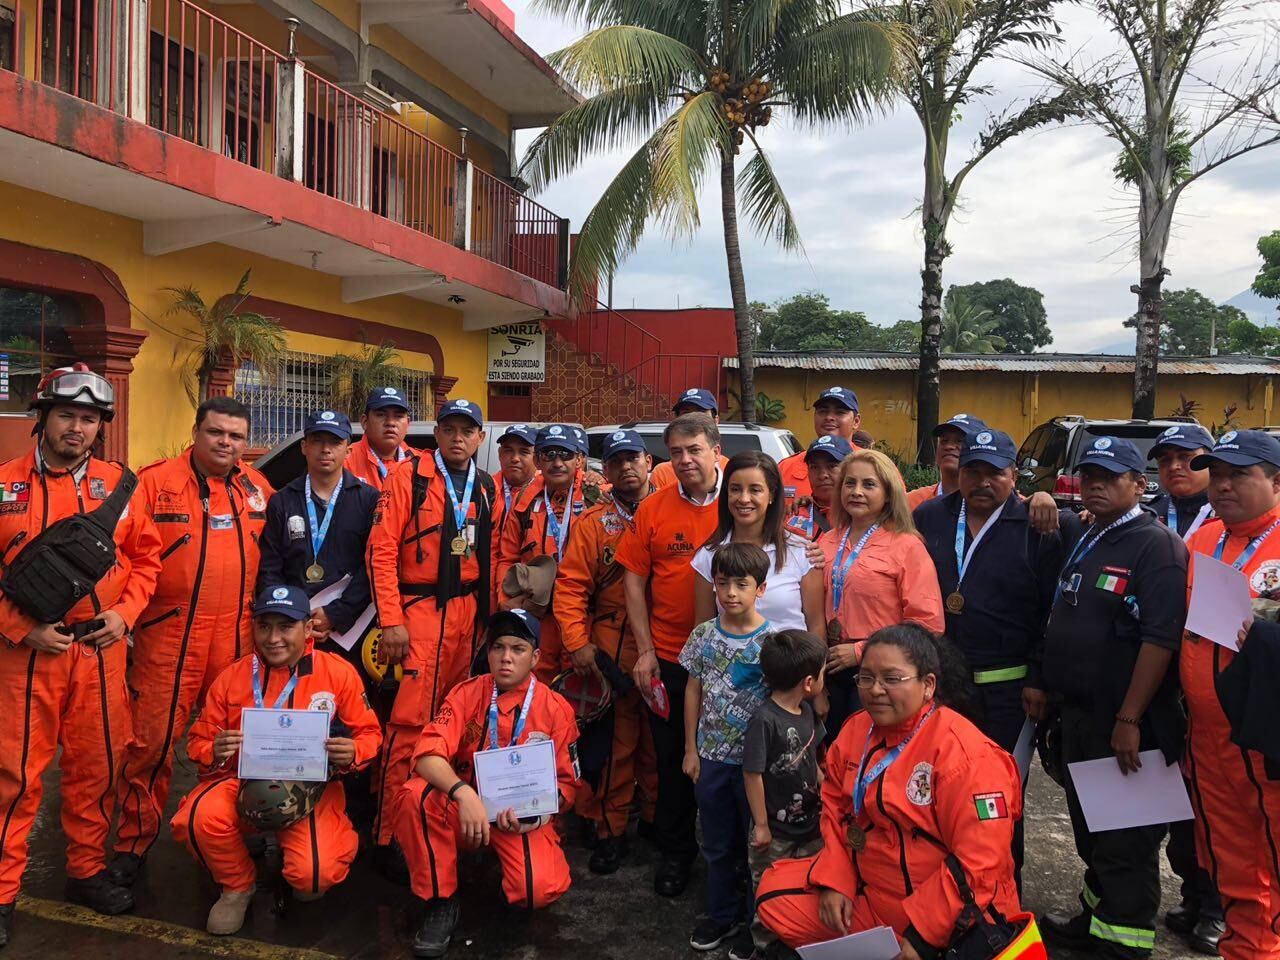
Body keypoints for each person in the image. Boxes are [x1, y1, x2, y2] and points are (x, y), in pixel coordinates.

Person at [0, 365, 162, 945]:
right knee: (14, 777)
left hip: (100, 651)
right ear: (42, 418)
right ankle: (2, 891)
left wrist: (125, 615)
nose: (77, 428)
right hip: (27, 657)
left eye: (89, 419)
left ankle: (87, 870)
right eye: (66, 415)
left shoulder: (121, 487)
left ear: (101, 427)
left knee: (98, 768)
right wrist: (21, 627)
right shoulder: (4, 484)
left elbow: (147, 560)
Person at [755, 624, 1031, 959]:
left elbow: (981, 863)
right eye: (866, 677)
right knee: (771, 895)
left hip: (951, 914)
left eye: (892, 678)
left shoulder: (968, 756)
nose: (875, 689)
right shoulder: (857, 728)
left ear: (928, 685)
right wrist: (835, 878)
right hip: (875, 889)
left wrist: (922, 937)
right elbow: (834, 806)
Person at [112, 395, 273, 886]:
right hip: (168, 637)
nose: (226, 443)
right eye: (216, 432)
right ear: (196, 432)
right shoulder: (153, 483)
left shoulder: (257, 489)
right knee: (150, 747)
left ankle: (232, 830)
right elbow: (122, 557)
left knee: (234, 744)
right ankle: (132, 843)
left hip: (237, 638)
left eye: (236, 436)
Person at [1039, 436, 1188, 960]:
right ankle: (1096, 919)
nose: (1095, 486)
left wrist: (1130, 717)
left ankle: (1123, 945)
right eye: (1089, 476)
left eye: (1110, 477)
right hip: (1082, 716)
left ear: (1139, 484)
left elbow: (1160, 639)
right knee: (1093, 833)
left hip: (1129, 725)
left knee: (1127, 841)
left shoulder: (1156, 546)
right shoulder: (1092, 533)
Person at [170, 585, 382, 935]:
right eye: (264, 626)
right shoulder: (232, 676)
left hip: (310, 791)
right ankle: (237, 886)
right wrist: (214, 750)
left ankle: (296, 858)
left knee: (314, 876)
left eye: (285, 627)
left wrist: (354, 752)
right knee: (197, 818)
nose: (273, 638)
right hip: (241, 784)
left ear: (308, 628)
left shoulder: (337, 672)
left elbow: (370, 734)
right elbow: (198, 741)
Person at [393, 609, 579, 959]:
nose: (506, 657)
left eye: (518, 649)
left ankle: (502, 874)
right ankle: (441, 900)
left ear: (535, 657)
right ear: (488, 653)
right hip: (467, 812)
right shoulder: (466, 694)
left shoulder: (556, 709)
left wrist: (532, 816)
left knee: (538, 889)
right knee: (415, 796)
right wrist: (463, 794)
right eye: (498, 647)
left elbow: (568, 787)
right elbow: (426, 755)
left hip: (519, 821)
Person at [366, 398, 495, 861]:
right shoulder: (409, 478)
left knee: (452, 726)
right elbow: (381, 551)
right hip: (418, 615)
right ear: (436, 434)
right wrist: (391, 620)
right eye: (449, 429)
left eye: (467, 430)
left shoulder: (485, 486)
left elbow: (492, 556)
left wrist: (489, 622)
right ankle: (390, 836)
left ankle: (437, 822)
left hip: (466, 618)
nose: (458, 438)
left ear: (480, 437)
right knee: (407, 727)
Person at [1181, 429, 1280, 960]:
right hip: (1207, 736)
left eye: (1238, 475)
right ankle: (1245, 949)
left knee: (1270, 856)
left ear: (1276, 482)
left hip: (1264, 738)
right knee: (1226, 854)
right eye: (1216, 475)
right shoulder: (1203, 540)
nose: (1222, 485)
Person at [618, 413, 724, 897]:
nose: (684, 460)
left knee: (729, 765)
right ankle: (677, 853)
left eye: (694, 449)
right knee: (673, 761)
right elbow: (634, 581)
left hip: (732, 663)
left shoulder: (741, 499)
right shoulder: (655, 508)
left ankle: (733, 860)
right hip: (670, 658)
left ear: (716, 451)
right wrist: (644, 651)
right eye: (676, 452)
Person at [913, 429, 1061, 752]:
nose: (983, 482)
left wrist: (1038, 678)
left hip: (1008, 690)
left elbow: (1051, 611)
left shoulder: (1036, 525)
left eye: (995, 473)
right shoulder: (930, 516)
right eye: (973, 472)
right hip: (941, 684)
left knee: (999, 777)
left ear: (1014, 475)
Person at [553, 428, 657, 874]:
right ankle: (610, 830)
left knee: (661, 744)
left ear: (649, 463)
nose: (626, 467)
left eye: (633, 458)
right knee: (617, 745)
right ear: (606, 470)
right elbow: (571, 587)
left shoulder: (670, 511)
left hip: (668, 638)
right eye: (617, 461)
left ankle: (656, 822)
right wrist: (578, 643)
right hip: (614, 644)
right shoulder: (594, 523)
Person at [1143, 422, 1223, 952]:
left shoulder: (1228, 522)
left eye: (1189, 458)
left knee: (1213, 804)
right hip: (1159, 675)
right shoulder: (1145, 513)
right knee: (1166, 800)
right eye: (1166, 459)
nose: (1176, 467)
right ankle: (1194, 895)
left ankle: (1219, 906)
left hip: (1211, 679)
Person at [679, 543, 774, 956]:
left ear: (761, 588)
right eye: (722, 584)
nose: (731, 593)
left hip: (755, 767)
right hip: (711, 759)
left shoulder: (772, 642)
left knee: (756, 845)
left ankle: (755, 923)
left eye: (741, 584)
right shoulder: (703, 635)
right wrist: (691, 748)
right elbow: (693, 690)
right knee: (716, 843)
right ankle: (721, 914)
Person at [820, 448, 945, 740]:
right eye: (849, 483)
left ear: (888, 494)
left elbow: (928, 624)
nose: (856, 492)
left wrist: (860, 651)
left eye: (869, 484)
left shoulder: (906, 546)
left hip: (881, 672)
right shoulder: (826, 540)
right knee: (832, 752)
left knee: (871, 747)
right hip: (828, 666)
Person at [256, 409, 379, 664]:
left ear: (348, 450)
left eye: (335, 442)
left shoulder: (369, 500)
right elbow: (270, 569)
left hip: (350, 630)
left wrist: (336, 614)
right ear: (304, 447)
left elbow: (374, 566)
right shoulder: (282, 501)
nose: (326, 450)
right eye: (317, 441)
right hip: (294, 629)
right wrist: (292, 618)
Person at [743, 629, 827, 957]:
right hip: (775, 833)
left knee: (805, 887)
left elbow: (811, 757)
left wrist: (824, 785)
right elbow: (752, 773)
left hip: (810, 826)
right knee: (767, 891)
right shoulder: (765, 720)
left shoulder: (807, 712)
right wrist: (762, 825)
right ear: (809, 682)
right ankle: (764, 948)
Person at [497, 424, 599, 682]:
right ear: (538, 460)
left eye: (565, 454)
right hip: (537, 614)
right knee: (535, 685)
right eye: (549, 454)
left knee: (580, 686)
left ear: (579, 459)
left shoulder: (597, 496)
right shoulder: (524, 501)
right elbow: (507, 556)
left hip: (585, 615)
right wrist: (505, 600)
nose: (557, 462)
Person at [693, 451, 824, 634]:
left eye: (755, 490)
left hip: (793, 652)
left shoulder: (802, 551)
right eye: (735, 489)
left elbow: (816, 626)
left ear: (771, 495)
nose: (744, 498)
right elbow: (703, 629)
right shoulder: (708, 555)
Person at [777, 387, 861, 516]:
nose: (829, 417)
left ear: (856, 421)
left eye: (840, 412)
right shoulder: (785, 467)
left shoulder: (873, 466)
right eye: (823, 411)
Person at [905, 413, 988, 511]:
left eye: (960, 441)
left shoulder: (989, 503)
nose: (949, 446)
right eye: (944, 441)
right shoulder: (912, 501)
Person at [651, 389, 728, 488]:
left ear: (715, 420)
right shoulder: (662, 473)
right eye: (686, 413)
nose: (693, 419)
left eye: (700, 413)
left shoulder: (731, 470)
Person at [347, 386, 417, 491]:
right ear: (365, 422)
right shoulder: (345, 461)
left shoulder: (420, 462)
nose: (390, 422)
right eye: (381, 415)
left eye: (398, 416)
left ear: (407, 424)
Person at [784, 435, 852, 541]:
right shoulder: (791, 518)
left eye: (832, 466)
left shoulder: (864, 519)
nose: (822, 475)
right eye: (814, 467)